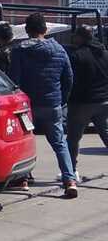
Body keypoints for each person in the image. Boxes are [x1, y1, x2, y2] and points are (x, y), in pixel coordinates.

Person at [9, 12, 77, 197]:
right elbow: (69, 78)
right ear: (45, 29)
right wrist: (61, 99)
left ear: (27, 30)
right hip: (52, 103)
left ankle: (23, 179)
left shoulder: (19, 50)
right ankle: (70, 180)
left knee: (25, 141)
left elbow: (14, 80)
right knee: (59, 143)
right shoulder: (59, 49)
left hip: (26, 106)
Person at [66, 25, 108, 171]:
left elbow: (70, 79)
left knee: (72, 139)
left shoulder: (77, 55)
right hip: (103, 102)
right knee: (106, 135)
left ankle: (71, 172)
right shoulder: (105, 53)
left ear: (80, 37)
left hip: (81, 103)